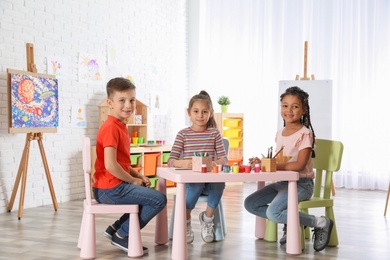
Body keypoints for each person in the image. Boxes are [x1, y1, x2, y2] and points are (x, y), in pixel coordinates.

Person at [244, 86, 333, 252]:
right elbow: (279, 160)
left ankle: (320, 222)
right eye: (285, 105)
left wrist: (273, 165)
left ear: (304, 110)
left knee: (272, 213)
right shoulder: (280, 133)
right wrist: (263, 161)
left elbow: (299, 165)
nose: (289, 110)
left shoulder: (305, 134)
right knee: (250, 204)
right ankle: (290, 221)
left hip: (301, 184)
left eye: (295, 106)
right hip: (282, 183)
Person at [93, 77, 167, 255]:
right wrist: (133, 181)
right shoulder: (111, 128)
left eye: (132, 100)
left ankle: (116, 229)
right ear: (110, 103)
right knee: (158, 199)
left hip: (111, 186)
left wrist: (138, 176)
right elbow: (111, 165)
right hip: (109, 189)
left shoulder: (120, 126)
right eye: (122, 100)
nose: (128, 105)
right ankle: (123, 235)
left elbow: (122, 163)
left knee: (148, 196)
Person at [167, 90, 228, 244]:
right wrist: (184, 163)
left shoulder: (214, 133)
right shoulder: (183, 134)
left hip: (209, 182)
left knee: (219, 183)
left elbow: (223, 158)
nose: (200, 115)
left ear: (211, 113)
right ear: (189, 112)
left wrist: (216, 163)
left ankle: (207, 219)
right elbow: (171, 160)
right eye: (196, 111)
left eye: (204, 111)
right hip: (191, 183)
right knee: (196, 184)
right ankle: (186, 222)